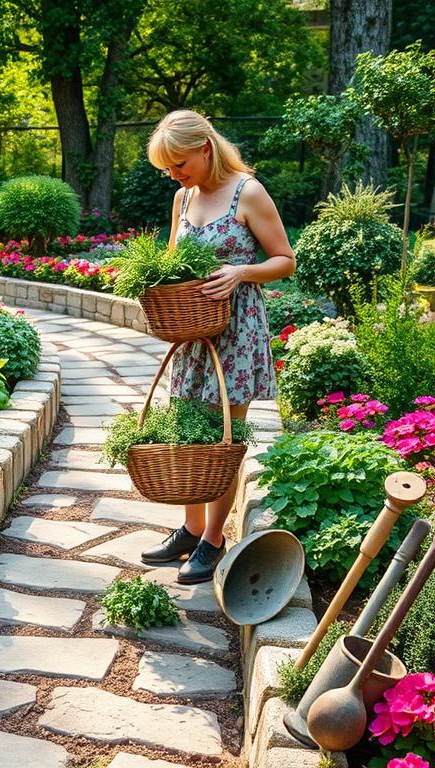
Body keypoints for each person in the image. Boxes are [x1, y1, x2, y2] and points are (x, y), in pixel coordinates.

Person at [139, 110, 296, 584]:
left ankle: (214, 538)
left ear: (205, 148)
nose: (174, 174)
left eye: (179, 163)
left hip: (237, 332)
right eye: (167, 167)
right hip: (192, 335)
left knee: (223, 437)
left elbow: (285, 260)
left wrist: (240, 271)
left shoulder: (248, 192)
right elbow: (170, 261)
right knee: (186, 429)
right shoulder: (182, 197)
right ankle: (189, 529)